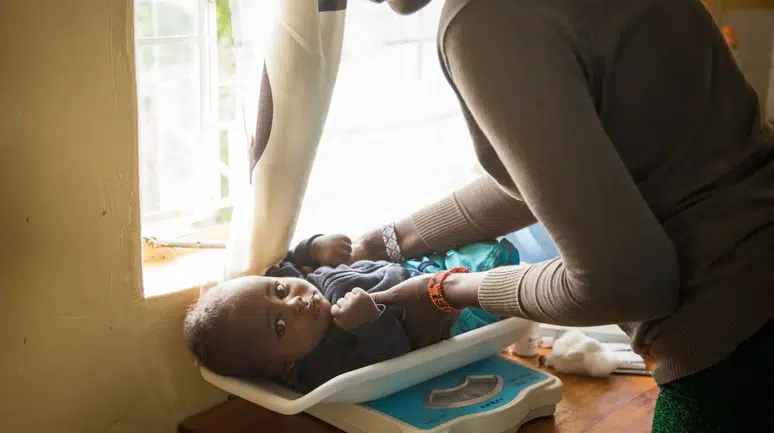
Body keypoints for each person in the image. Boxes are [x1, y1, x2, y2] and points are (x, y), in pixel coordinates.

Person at [348, 0, 774, 431]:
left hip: (739, 350)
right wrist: (388, 241)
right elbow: (564, 169)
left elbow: (627, 283)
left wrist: (445, 289)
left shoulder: (483, 18)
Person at [183, 234, 506, 393]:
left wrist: (315, 246)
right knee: (500, 276)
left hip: (421, 266)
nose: (293, 303)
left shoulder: (298, 281)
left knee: (478, 235)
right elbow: (393, 364)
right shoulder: (324, 365)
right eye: (280, 325)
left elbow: (289, 261)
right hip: (446, 316)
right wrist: (369, 323)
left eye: (279, 290)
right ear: (282, 365)